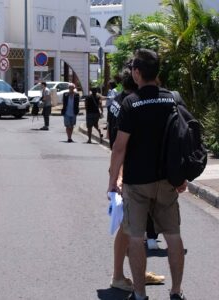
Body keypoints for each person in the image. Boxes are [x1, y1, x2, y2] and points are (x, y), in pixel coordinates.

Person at [108, 49, 188, 300]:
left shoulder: (131, 103)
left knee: (135, 236)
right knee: (173, 235)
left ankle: (140, 295)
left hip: (137, 182)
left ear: (137, 72)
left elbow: (119, 147)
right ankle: (176, 291)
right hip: (167, 180)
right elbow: (184, 138)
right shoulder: (172, 99)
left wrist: (113, 182)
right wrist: (182, 174)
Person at [107, 68, 165, 293]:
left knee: (133, 227)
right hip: (127, 172)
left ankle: (135, 273)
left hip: (125, 170)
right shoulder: (128, 104)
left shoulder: (120, 102)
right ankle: (119, 275)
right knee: (127, 227)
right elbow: (119, 145)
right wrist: (119, 177)